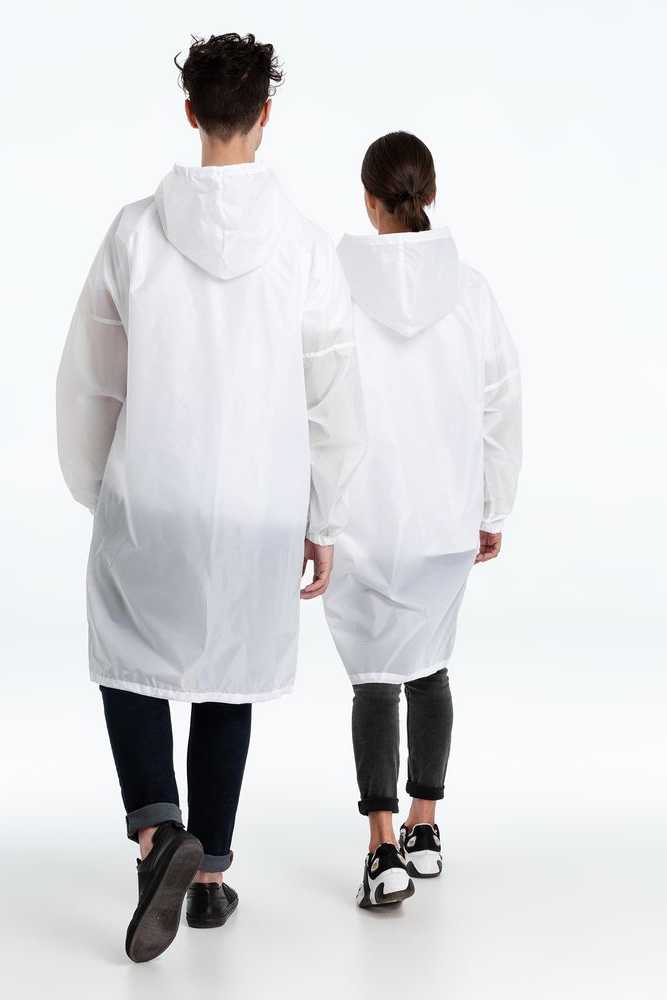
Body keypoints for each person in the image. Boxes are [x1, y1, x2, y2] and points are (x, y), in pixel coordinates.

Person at [55, 33, 366, 960]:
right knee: (230, 671)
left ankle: (159, 833)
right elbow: (333, 393)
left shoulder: (134, 233)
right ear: (266, 115)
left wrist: (96, 484)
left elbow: (92, 378)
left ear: (190, 111)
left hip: (155, 485)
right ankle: (209, 878)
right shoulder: (305, 247)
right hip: (260, 501)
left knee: (128, 652)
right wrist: (325, 516)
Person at [322, 131, 522, 908]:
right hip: (445, 514)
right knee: (430, 665)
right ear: (429, 194)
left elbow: (315, 402)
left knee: (375, 676)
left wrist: (312, 511)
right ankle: (426, 827)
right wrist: (492, 503)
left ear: (370, 201)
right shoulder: (470, 292)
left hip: (362, 514)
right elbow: (501, 400)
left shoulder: (336, 289)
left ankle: (382, 848)